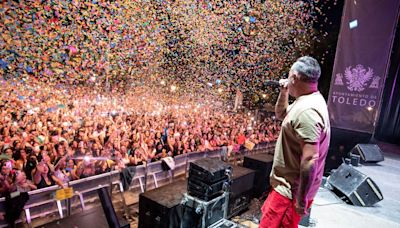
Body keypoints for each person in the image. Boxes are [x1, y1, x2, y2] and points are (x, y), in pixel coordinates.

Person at [260, 56, 331, 228]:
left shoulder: (308, 111)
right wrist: (284, 92)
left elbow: (310, 159)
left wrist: (301, 199)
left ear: (294, 77)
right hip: (287, 188)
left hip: (290, 193)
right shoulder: (307, 100)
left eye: (289, 74)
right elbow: (282, 114)